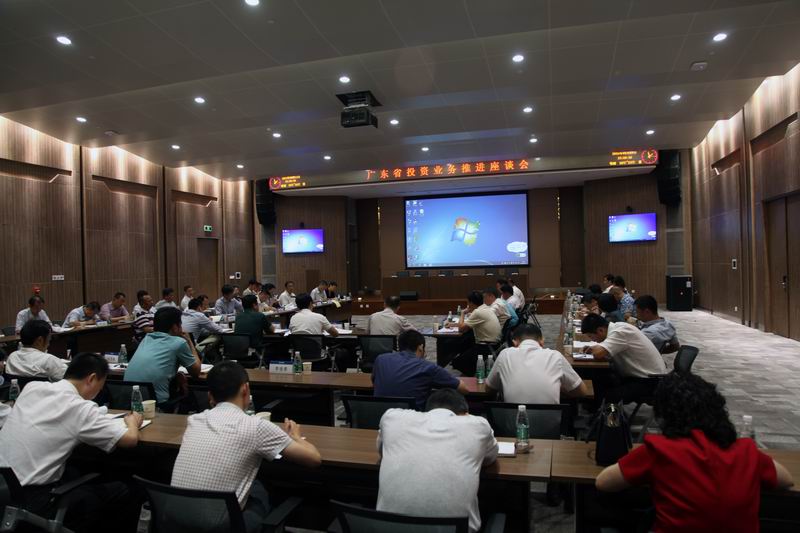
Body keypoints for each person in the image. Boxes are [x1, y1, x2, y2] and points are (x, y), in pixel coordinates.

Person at [596, 372, 794, 531]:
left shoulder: (660, 450)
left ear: (664, 416)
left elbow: (603, 482)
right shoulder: (746, 450)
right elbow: (786, 479)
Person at [171, 361, 321, 533]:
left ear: (210, 396)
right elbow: (314, 459)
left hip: (175, 522)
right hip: (219, 528)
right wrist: (295, 436)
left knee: (254, 484)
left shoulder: (194, 420)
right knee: (262, 492)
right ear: (245, 389)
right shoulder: (255, 426)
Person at [0, 353, 143, 533]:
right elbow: (130, 440)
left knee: (75, 471)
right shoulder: (79, 407)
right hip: (32, 502)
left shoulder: (32, 388)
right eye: (100, 387)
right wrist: (132, 422)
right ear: (91, 379)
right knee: (128, 490)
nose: (98, 393)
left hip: (4, 490)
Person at [377, 389, 498, 533]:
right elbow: (490, 457)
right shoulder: (479, 425)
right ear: (465, 414)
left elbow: (381, 450)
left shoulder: (392, 418)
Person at [486, 324, 588, 404]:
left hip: (511, 423)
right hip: (550, 424)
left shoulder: (505, 354)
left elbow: (489, 389)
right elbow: (582, 391)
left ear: (515, 342)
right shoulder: (555, 356)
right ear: (542, 341)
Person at [124, 307, 201, 407]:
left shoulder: (146, 339)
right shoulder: (179, 343)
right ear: (175, 327)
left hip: (128, 400)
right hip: (156, 405)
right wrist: (189, 342)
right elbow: (196, 372)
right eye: (180, 324)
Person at [581, 313, 667, 402]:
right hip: (638, 375)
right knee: (597, 376)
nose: (592, 340)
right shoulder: (618, 327)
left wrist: (594, 349)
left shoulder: (620, 332)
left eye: (591, 336)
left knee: (606, 395)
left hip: (649, 381)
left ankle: (601, 408)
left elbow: (598, 353)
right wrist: (594, 349)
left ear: (600, 330)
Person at [372, 330, 468, 409]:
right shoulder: (428, 367)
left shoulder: (380, 359)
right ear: (421, 347)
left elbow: (374, 381)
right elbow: (463, 389)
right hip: (412, 421)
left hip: (380, 417)